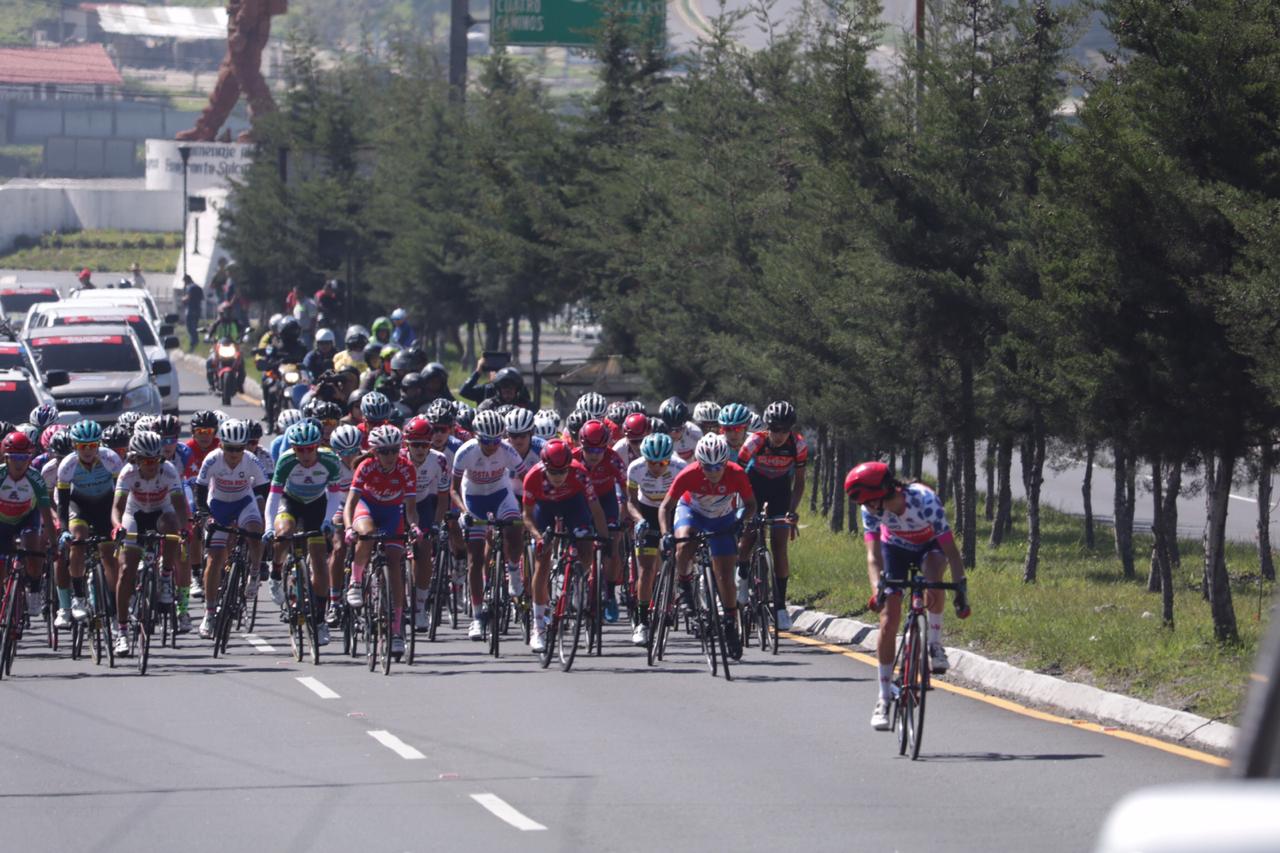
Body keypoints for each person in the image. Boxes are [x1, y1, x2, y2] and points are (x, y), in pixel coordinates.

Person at [844, 461, 970, 731]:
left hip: (929, 547)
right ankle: (883, 696)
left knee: (934, 573)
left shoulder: (924, 501)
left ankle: (935, 645)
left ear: (880, 495)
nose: (863, 508)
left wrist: (961, 587)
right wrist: (877, 587)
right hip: (895, 550)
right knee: (889, 619)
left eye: (865, 502)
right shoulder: (873, 512)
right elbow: (873, 555)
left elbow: (951, 551)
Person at [658, 434, 756, 660]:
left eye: (718, 467)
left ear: (725, 462)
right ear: (699, 463)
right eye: (707, 467)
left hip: (722, 518)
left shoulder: (737, 474)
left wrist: (742, 519)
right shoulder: (688, 474)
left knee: (725, 576)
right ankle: (683, 584)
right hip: (692, 513)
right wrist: (665, 534)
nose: (713, 472)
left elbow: (751, 504)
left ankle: (730, 624)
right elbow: (665, 508)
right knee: (684, 543)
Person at [521, 439, 610, 653]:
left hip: (573, 505)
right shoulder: (533, 476)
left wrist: (605, 539)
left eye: (563, 472)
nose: (559, 477)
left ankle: (579, 582)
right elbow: (526, 515)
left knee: (585, 543)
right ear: (544, 466)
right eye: (554, 472)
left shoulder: (579, 473)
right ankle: (539, 626)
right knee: (542, 562)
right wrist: (538, 537)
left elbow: (596, 509)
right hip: (545, 508)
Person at [264, 420, 343, 646]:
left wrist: (328, 520)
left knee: (319, 558)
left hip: (317, 505)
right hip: (291, 502)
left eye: (310, 449)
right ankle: (276, 572)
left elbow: (335, 494)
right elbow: (273, 496)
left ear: (317, 446)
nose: (306, 454)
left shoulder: (329, 460)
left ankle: (319, 620)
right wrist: (269, 526)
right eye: (300, 449)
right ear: (294, 448)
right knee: (285, 532)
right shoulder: (287, 460)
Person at [112, 430, 190, 654]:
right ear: (136, 459)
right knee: (126, 570)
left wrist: (184, 529)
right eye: (147, 460)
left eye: (156, 460)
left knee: (172, 524)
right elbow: (117, 508)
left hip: (160, 514)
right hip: (134, 515)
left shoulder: (168, 471)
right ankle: (122, 632)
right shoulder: (127, 473)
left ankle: (165, 576)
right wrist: (117, 527)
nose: (152, 465)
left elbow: (179, 504)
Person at [450, 409, 524, 641]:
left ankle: (513, 571)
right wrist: (463, 513)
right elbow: (452, 489)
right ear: (476, 436)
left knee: (515, 527)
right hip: (473, 498)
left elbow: (528, 480)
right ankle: (477, 616)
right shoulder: (465, 452)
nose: (492, 445)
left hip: (501, 494)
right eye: (486, 440)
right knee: (475, 559)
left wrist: (530, 508)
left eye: (496, 440)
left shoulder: (508, 451)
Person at [343, 424, 416, 657]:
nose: (390, 456)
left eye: (395, 450)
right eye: (384, 451)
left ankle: (395, 630)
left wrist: (414, 527)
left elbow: (411, 508)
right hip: (367, 508)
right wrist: (347, 527)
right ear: (375, 452)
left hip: (392, 513)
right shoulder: (365, 466)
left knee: (395, 565)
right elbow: (351, 504)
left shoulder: (406, 468)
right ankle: (356, 581)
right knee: (366, 533)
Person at [735, 401, 806, 631]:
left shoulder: (798, 444)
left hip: (780, 489)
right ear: (768, 428)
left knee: (779, 546)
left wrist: (792, 511)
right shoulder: (754, 441)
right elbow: (737, 476)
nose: (779, 435)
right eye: (775, 429)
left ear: (791, 429)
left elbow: (800, 482)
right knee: (748, 536)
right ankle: (743, 577)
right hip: (753, 486)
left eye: (784, 430)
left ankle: (781, 607)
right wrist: (743, 509)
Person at [195, 419, 269, 639]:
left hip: (243, 503)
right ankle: (209, 614)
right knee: (215, 559)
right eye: (230, 448)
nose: (235, 453)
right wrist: (205, 515)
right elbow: (200, 490)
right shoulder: (212, 460)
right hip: (218, 505)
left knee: (256, 532)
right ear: (221, 446)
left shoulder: (251, 460)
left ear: (245, 447)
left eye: (239, 448)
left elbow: (264, 489)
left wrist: (264, 514)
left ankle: (254, 573)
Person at [54, 420, 123, 634]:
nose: (87, 450)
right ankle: (78, 598)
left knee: (109, 556)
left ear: (99, 445)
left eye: (92, 445)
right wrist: (64, 529)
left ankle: (113, 610)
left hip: (105, 506)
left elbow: (121, 495)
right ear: (75, 446)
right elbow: (63, 503)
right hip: (79, 505)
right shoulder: (67, 465)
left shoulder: (111, 459)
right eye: (82, 446)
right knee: (78, 538)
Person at [626, 432, 684, 646]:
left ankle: (676, 591)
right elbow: (630, 502)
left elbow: (688, 500)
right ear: (644, 458)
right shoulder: (636, 469)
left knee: (679, 553)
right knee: (647, 570)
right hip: (647, 511)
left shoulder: (680, 467)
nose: (658, 468)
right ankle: (642, 622)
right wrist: (639, 520)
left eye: (663, 462)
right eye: (653, 463)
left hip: (672, 509)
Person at [572, 419, 628, 623]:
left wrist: (624, 518)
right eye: (590, 450)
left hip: (606, 500)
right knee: (581, 542)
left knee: (612, 544)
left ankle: (611, 593)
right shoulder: (572, 459)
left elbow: (626, 490)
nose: (595, 456)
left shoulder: (613, 460)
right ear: (581, 445)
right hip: (580, 501)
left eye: (599, 451)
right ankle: (578, 579)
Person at [0, 433, 55, 632]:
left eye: (24, 458)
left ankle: (33, 589)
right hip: (2, 522)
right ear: (6, 457)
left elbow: (46, 513)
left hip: (26, 519)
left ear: (29, 459)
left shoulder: (35, 478)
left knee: (34, 549)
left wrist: (54, 543)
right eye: (14, 457)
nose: (19, 463)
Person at [401, 416, 450, 631]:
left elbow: (442, 497)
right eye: (415, 445)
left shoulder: (439, 460)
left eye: (425, 445)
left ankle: (420, 608)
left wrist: (437, 524)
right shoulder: (399, 458)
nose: (420, 450)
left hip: (424, 503)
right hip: (397, 504)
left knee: (425, 548)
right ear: (407, 444)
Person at [460, 359, 534, 410]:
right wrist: (478, 372)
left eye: (511, 387)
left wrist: (514, 372)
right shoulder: (487, 403)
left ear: (517, 389)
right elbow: (464, 391)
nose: (507, 390)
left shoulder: (524, 404)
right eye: (504, 386)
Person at [180, 274, 204, 352]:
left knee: (190, 327)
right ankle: (195, 342)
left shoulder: (190, 287)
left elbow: (188, 297)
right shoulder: (198, 287)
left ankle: (194, 342)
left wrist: (183, 299)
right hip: (197, 309)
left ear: (186, 280)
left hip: (191, 309)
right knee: (194, 326)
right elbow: (202, 298)